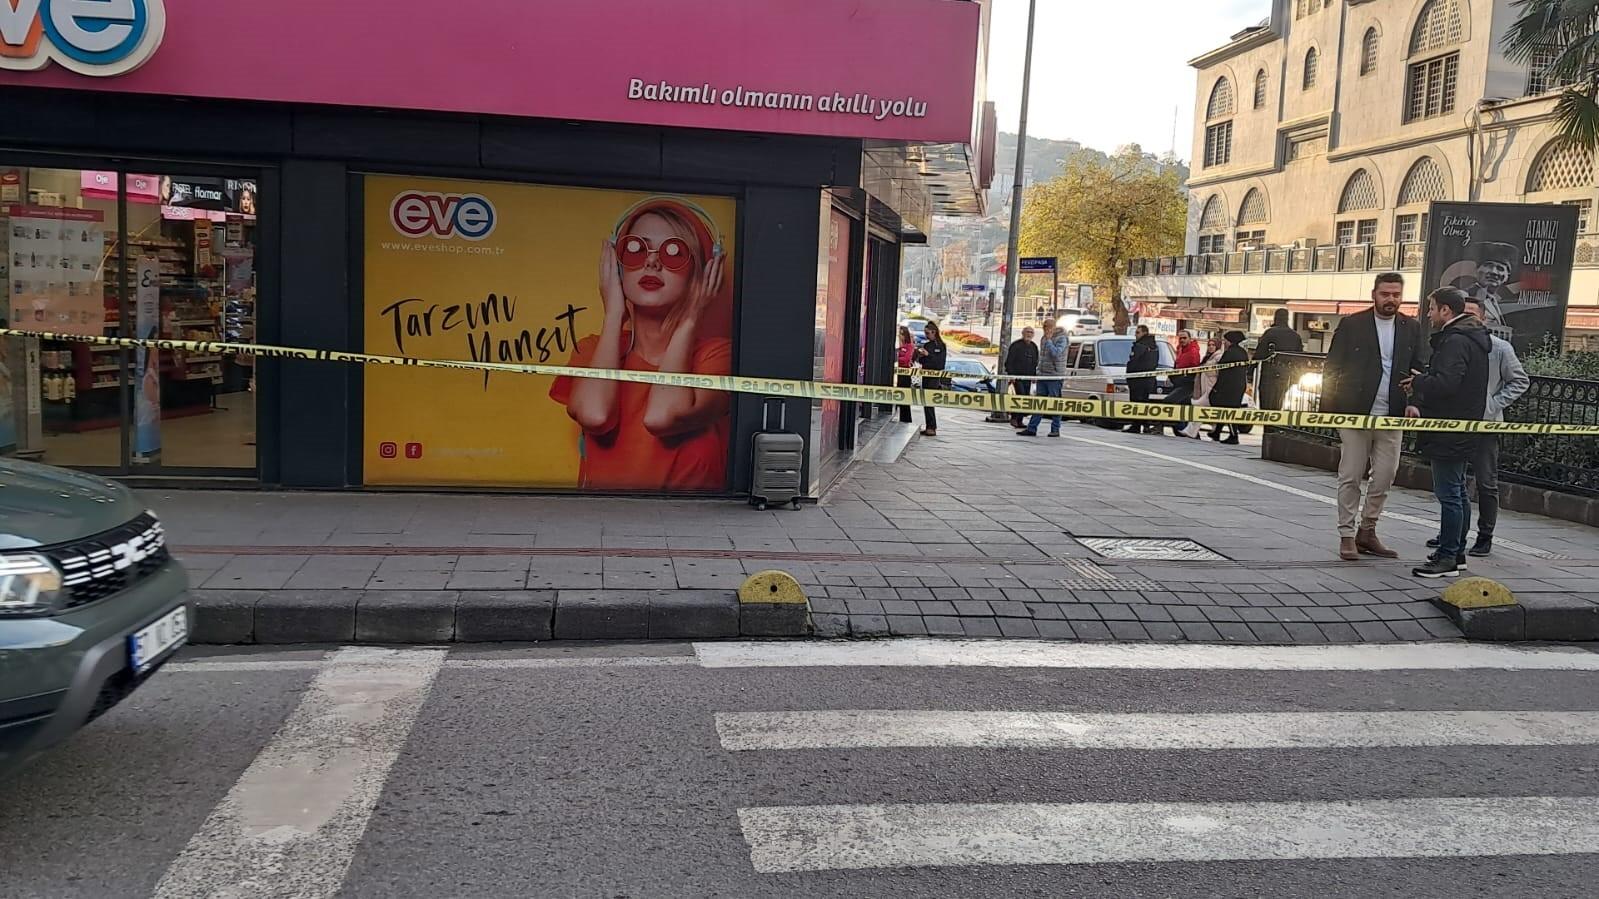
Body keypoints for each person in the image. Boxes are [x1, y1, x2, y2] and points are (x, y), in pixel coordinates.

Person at [552, 197, 732, 492]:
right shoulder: (592, 350)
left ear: (701, 273)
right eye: (635, 249)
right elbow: (595, 416)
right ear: (616, 266)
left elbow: (663, 417)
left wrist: (690, 318)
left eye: (673, 252)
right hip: (603, 528)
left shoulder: (717, 357)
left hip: (692, 529)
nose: (652, 261)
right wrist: (613, 315)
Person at [1321, 272, 1423, 561]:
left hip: (1392, 413)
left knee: (1386, 476)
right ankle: (1345, 534)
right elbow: (1332, 366)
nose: (1391, 299)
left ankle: (1367, 530)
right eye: (1385, 294)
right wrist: (1328, 412)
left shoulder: (1411, 327)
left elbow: (1418, 367)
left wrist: (1416, 402)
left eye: (1396, 294)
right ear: (1374, 294)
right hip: (1354, 412)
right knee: (1351, 474)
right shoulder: (1353, 324)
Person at [1426, 296, 1530, 559]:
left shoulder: (1498, 348)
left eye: (1473, 314)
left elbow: (1520, 381)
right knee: (1456, 484)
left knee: (1485, 482)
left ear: (1483, 318)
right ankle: (1453, 537)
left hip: (1485, 423)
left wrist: (1494, 404)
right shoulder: (1454, 342)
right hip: (1459, 422)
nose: (1469, 318)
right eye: (1466, 313)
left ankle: (1484, 536)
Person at [1404, 287, 1492, 579]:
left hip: (1449, 426)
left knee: (1450, 493)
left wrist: (1420, 383)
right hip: (1462, 425)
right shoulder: (1472, 339)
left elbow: (1447, 384)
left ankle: (1448, 558)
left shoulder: (1455, 341)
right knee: (1457, 491)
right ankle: (1456, 552)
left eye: (1431, 308)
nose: (1428, 314)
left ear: (1445, 311)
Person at [1018, 324, 1068, 437]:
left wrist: (1050, 341)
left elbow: (1056, 353)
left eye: (1047, 327)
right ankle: (1032, 428)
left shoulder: (1061, 338)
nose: (1045, 329)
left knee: (1055, 403)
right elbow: (1042, 356)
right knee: (1039, 403)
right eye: (1044, 327)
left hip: (1054, 376)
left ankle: (1055, 429)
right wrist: (1038, 371)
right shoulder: (1044, 338)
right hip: (1043, 375)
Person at [1450, 241, 1517, 325]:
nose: (1493, 272)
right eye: (1488, 265)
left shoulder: (1494, 301)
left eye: (1500, 268)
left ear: (1507, 276)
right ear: (1476, 270)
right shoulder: (1464, 296)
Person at [1255, 308, 1304, 411]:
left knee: (1266, 402)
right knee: (1278, 401)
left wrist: (1250, 370)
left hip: (1269, 372)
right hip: (1286, 372)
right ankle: (1274, 424)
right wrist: (1297, 376)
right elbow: (1299, 357)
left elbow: (1260, 353)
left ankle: (1267, 426)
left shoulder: (1270, 332)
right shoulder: (1295, 335)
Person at [1207, 331, 1250, 444]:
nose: (1224, 342)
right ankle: (1217, 432)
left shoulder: (1230, 352)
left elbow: (1222, 368)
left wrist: (1218, 386)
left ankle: (1233, 435)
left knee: (1228, 410)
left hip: (1229, 386)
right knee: (1225, 408)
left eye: (1225, 340)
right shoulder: (1242, 352)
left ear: (1230, 341)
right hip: (1238, 385)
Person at [1179, 336, 1225, 438]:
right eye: (1209, 345)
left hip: (1211, 389)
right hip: (1205, 389)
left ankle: (1191, 431)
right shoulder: (1209, 357)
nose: (1210, 347)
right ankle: (1213, 431)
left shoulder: (1218, 357)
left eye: (1213, 345)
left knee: (1197, 407)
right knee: (1205, 412)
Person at [1162, 330, 1202, 435]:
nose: (1182, 340)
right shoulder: (1180, 349)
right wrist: (1170, 377)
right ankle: (1185, 431)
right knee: (1183, 406)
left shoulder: (1193, 351)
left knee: (1169, 401)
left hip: (1187, 384)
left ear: (1189, 339)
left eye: (1184, 338)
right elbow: (1177, 365)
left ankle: (1178, 427)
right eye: (1180, 338)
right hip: (1179, 382)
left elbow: (1194, 368)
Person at [1124, 325, 1161, 434]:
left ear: (1144, 333)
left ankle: (1136, 426)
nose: (1136, 335)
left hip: (1138, 380)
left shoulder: (1140, 345)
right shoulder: (1154, 346)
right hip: (1149, 380)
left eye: (1137, 332)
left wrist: (1129, 375)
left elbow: (1133, 361)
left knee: (1136, 403)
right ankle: (1145, 425)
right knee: (1144, 403)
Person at [915, 320, 948, 436]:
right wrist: (920, 355)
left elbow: (940, 364)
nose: (926, 335)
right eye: (925, 333)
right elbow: (922, 361)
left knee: (929, 401)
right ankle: (929, 425)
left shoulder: (941, 346)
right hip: (926, 375)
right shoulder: (927, 345)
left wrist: (929, 355)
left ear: (934, 332)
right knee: (925, 402)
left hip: (934, 377)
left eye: (928, 333)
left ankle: (932, 426)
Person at [1005, 326, 1040, 428]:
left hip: (1028, 378)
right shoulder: (1016, 345)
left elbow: (1035, 362)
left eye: (1031, 332)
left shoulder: (1033, 346)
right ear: (1023, 333)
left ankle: (1020, 420)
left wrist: (1034, 376)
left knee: (1025, 398)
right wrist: (1011, 375)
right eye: (1027, 332)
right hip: (1017, 377)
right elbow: (1009, 362)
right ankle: (1014, 418)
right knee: (1020, 395)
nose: (1029, 334)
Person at [895, 325, 917, 423]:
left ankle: (906, 419)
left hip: (904, 373)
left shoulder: (909, 346)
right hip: (896, 373)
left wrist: (897, 359)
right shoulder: (898, 346)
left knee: (904, 396)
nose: (899, 336)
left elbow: (906, 360)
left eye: (901, 334)